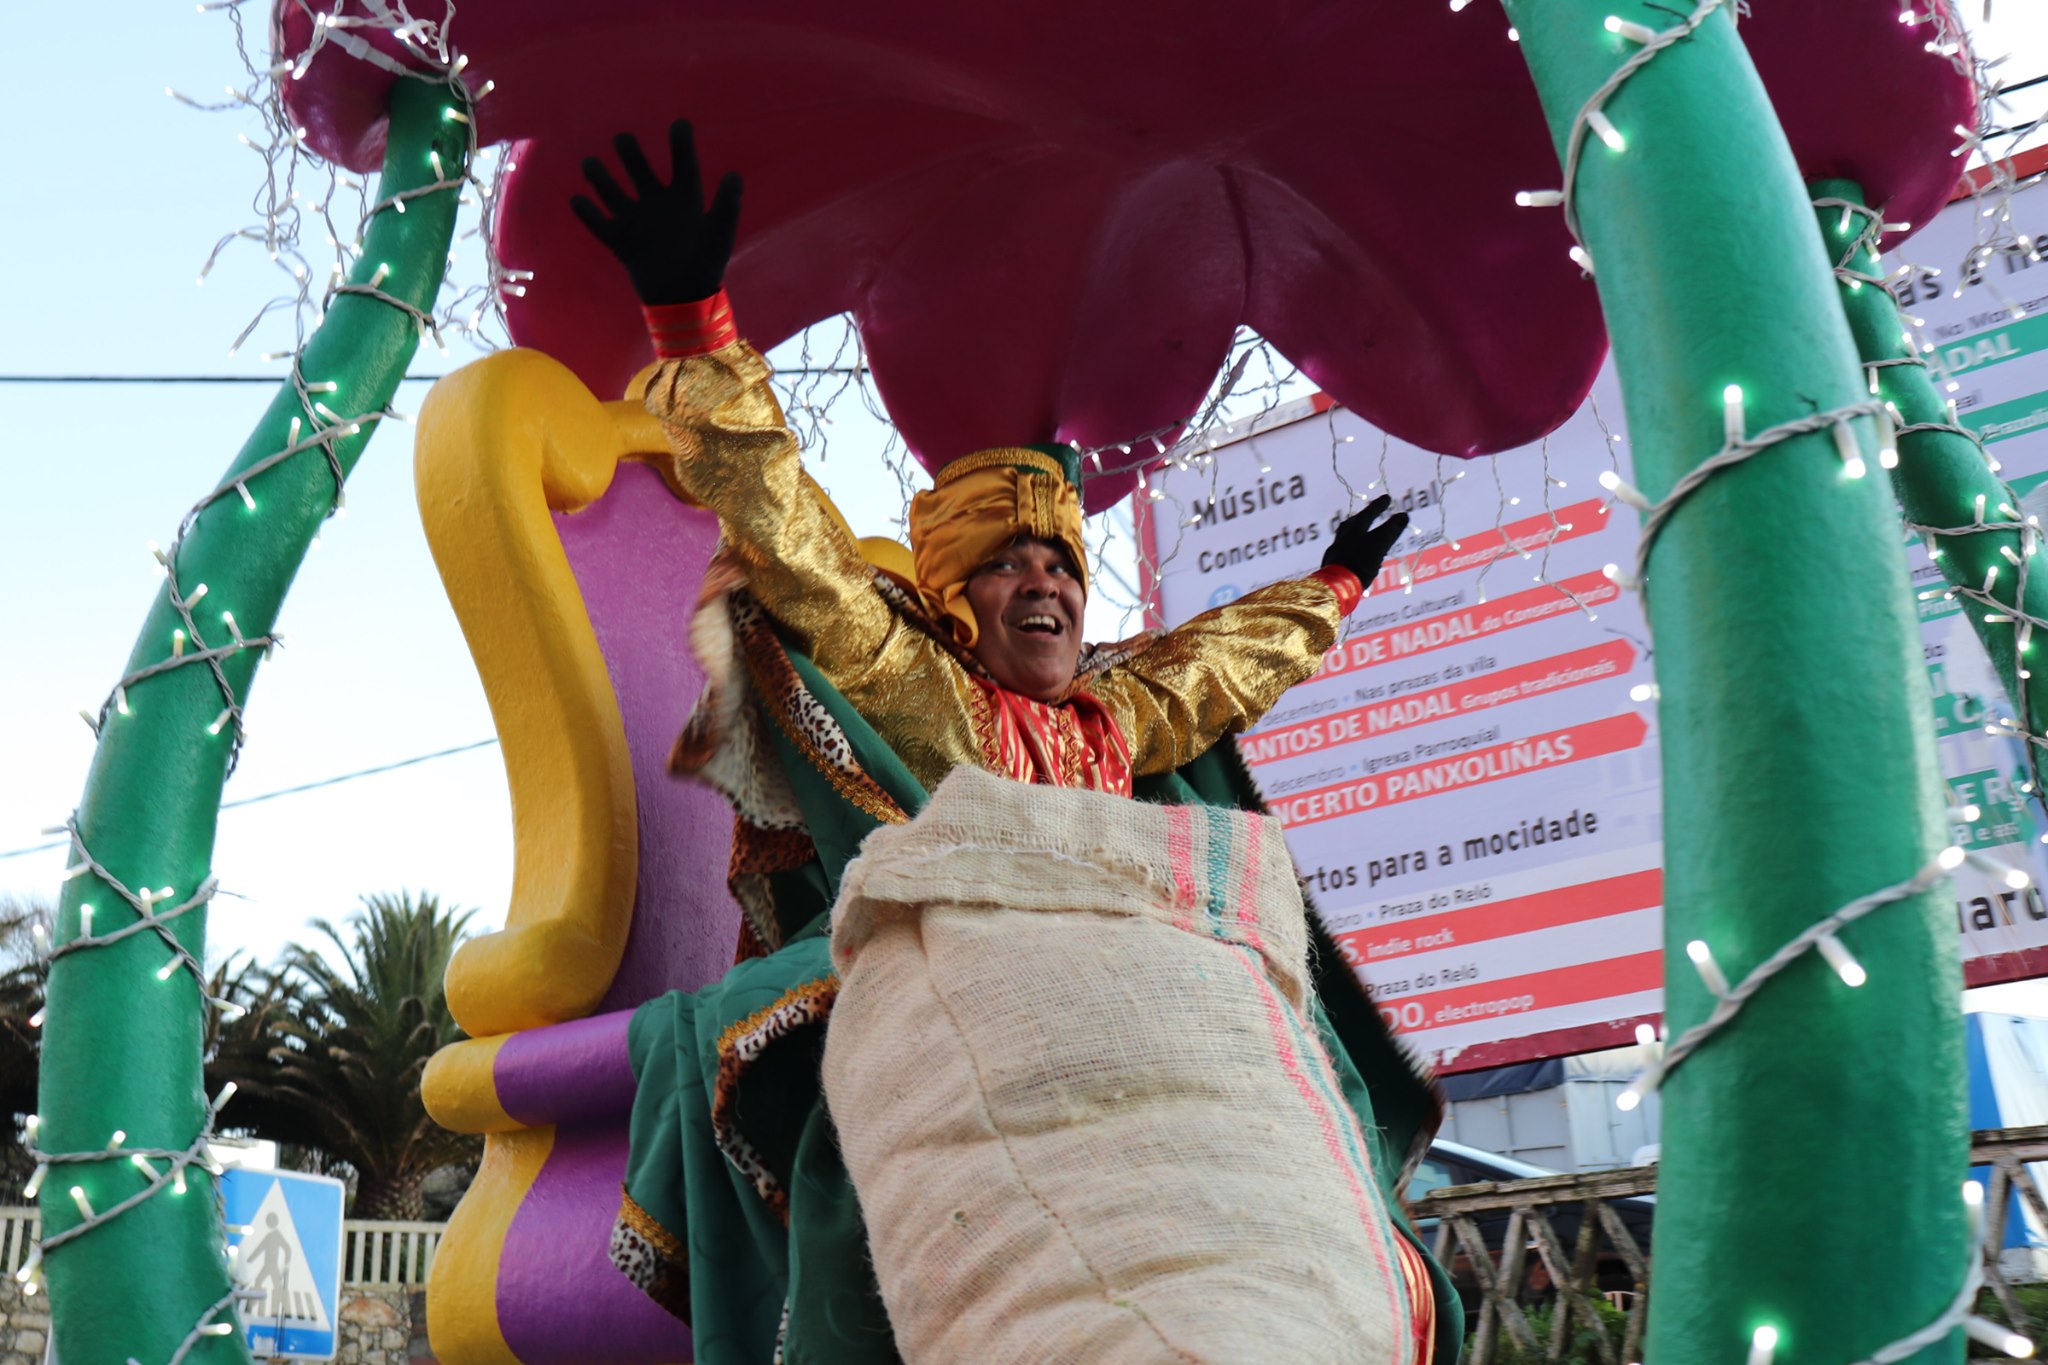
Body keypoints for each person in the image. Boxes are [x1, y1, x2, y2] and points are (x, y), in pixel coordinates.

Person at [574, 122, 1457, 1365]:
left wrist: (1336, 584)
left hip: (1140, 1021)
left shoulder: (1114, 716)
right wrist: (693, 322)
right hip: (963, 1009)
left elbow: (1221, 668)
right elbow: (786, 530)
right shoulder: (918, 688)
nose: (1040, 585)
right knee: (835, 1144)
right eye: (1004, 565)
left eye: (1059, 563)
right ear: (950, 601)